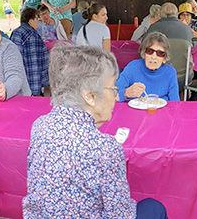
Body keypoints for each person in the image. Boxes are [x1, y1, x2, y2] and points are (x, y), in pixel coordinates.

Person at [23, 45, 168, 219]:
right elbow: (120, 215)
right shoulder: (105, 148)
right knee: (153, 207)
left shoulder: (40, 125)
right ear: (90, 96)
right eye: (113, 88)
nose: (116, 96)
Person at [115, 33, 179, 102]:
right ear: (143, 54)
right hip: (135, 111)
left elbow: (175, 103)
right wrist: (126, 93)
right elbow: (113, 93)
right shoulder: (133, 67)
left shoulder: (170, 72)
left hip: (161, 111)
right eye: (150, 51)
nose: (153, 57)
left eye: (160, 53)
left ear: (164, 59)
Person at [11, 8, 49, 96]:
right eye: (36, 18)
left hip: (17, 82)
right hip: (32, 83)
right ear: (30, 20)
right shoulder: (33, 35)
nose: (38, 21)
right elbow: (38, 62)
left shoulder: (16, 32)